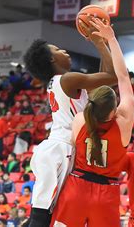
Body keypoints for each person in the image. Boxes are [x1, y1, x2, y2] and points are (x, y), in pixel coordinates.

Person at [22, 17, 117, 226]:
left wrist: (101, 44)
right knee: (43, 211)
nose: (64, 51)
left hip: (61, 146)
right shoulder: (68, 79)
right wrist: (100, 42)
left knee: (50, 209)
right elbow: (112, 76)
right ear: (51, 60)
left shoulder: (66, 82)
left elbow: (104, 80)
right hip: (61, 147)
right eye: (57, 50)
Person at [50, 17, 134, 226]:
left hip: (76, 187)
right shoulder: (123, 124)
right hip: (106, 193)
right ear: (115, 110)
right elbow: (122, 77)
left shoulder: (79, 120)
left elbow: (99, 91)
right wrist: (110, 40)